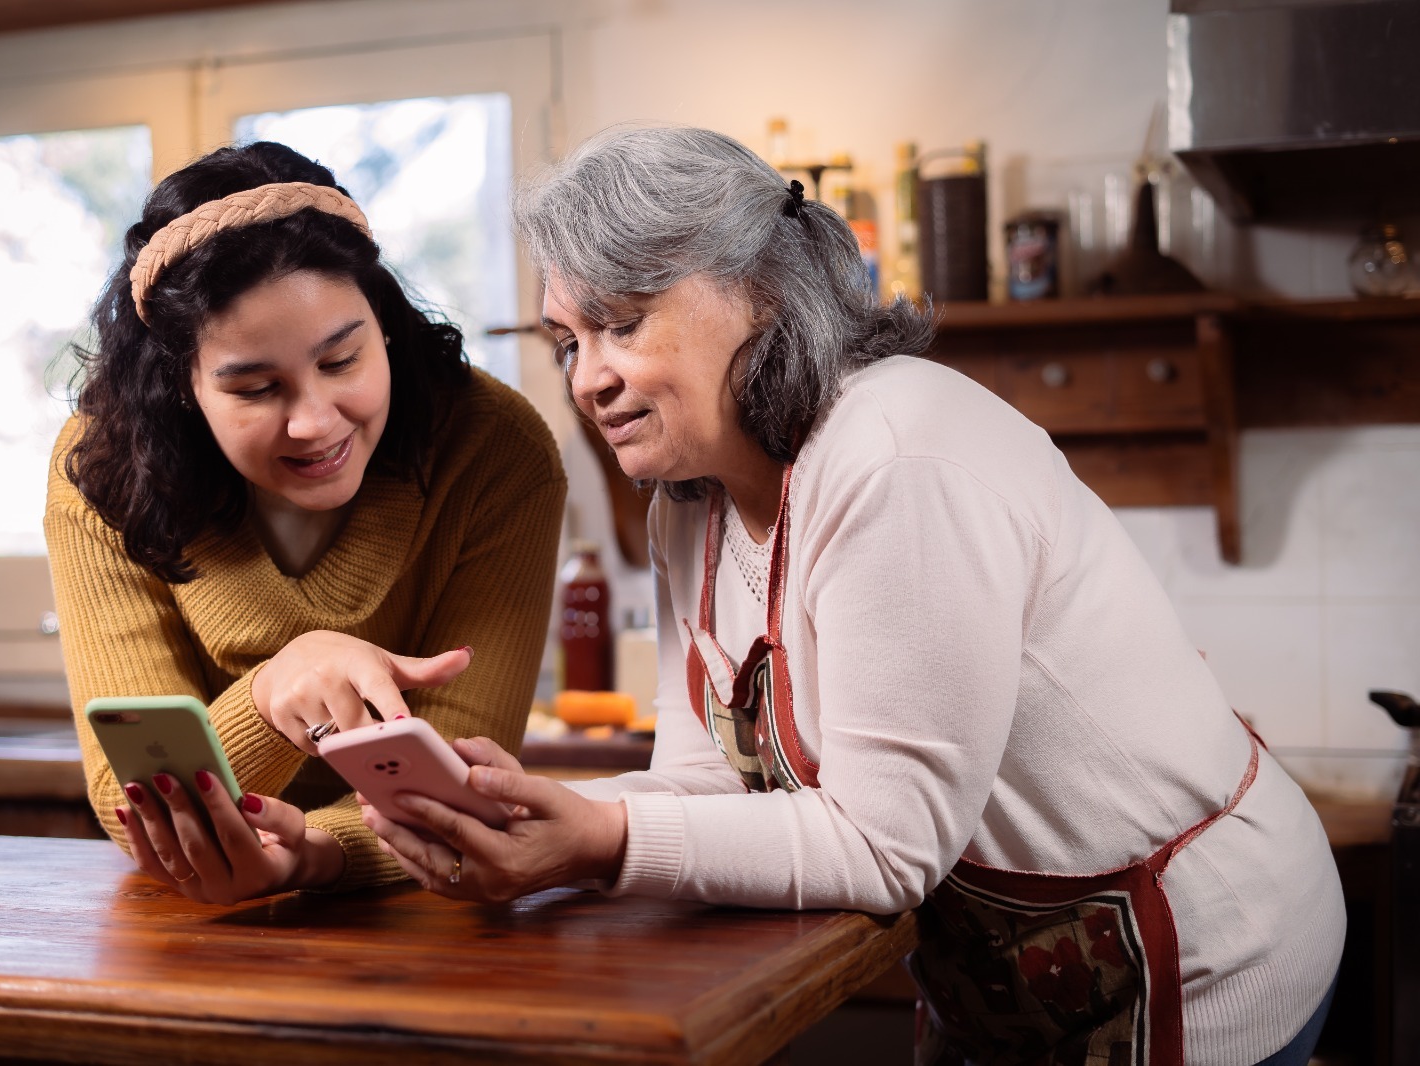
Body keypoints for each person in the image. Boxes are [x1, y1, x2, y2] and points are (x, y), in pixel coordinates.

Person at [362, 126, 1344, 1066]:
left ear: (761, 292)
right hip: (1005, 985)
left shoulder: (895, 453)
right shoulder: (685, 507)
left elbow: (883, 847)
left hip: (1199, 963)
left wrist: (596, 840)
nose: (589, 380)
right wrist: (529, 812)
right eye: (567, 342)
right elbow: (704, 781)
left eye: (621, 323)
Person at [45, 141, 565, 903]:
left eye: (342, 360)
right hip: (200, 935)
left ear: (383, 324)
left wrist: (317, 854)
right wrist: (270, 698)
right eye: (256, 389)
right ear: (183, 386)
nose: (315, 423)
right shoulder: (102, 468)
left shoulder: (492, 449)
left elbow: (463, 787)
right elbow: (136, 809)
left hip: (418, 922)